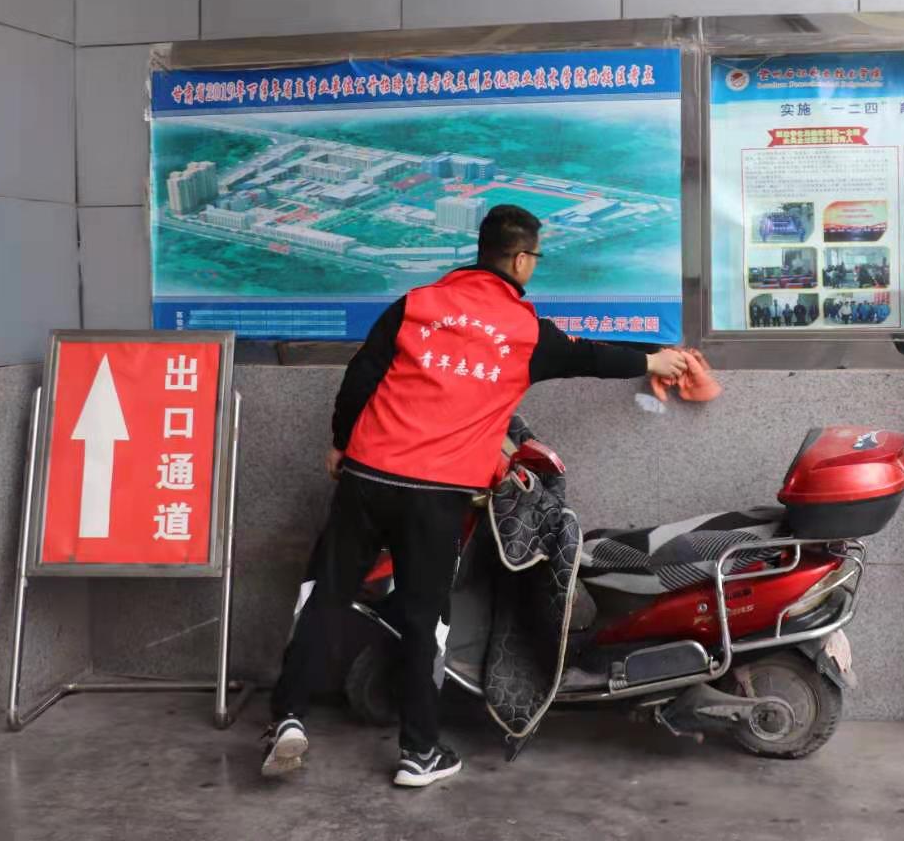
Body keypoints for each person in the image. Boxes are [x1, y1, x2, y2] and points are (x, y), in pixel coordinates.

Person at [262, 204, 688, 788]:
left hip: (369, 476)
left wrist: (341, 443)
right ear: (521, 259)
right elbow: (590, 356)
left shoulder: (416, 305)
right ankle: (419, 752)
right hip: (437, 494)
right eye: (535, 258)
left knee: (327, 596)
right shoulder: (526, 333)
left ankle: (287, 718)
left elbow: (360, 378)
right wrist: (655, 359)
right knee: (423, 621)